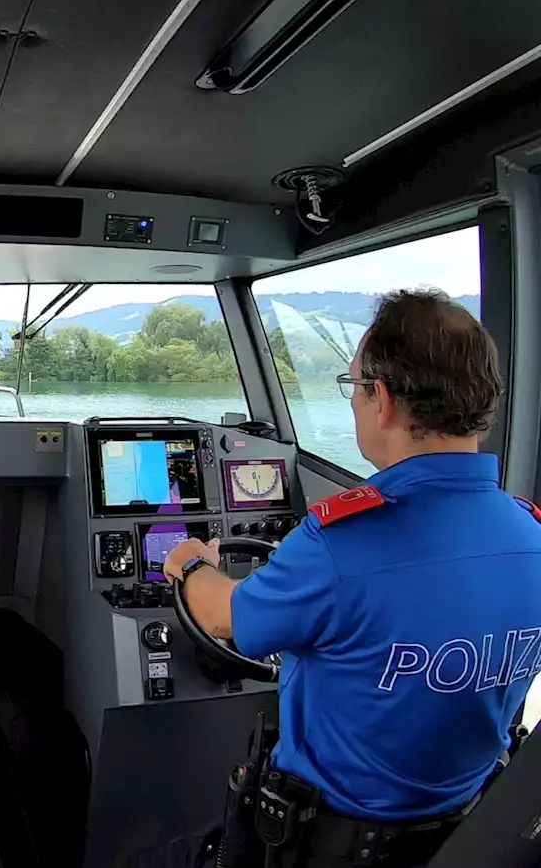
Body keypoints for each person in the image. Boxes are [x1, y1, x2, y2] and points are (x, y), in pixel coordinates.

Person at [159, 289, 541, 867]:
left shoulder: (340, 543)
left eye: (354, 387)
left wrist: (189, 562)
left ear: (380, 399)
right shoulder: (532, 537)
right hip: (459, 837)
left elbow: (221, 615)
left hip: (323, 845)